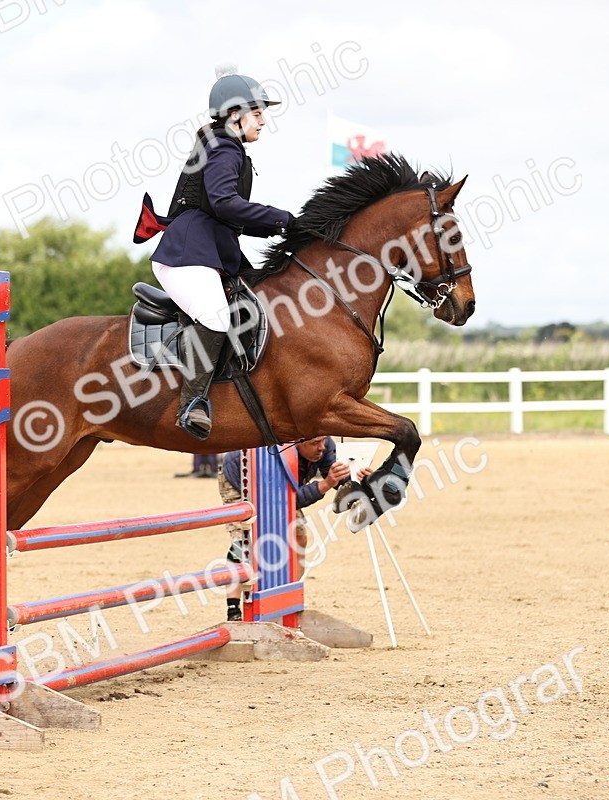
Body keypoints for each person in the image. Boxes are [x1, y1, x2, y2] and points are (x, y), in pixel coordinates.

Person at [150, 67, 296, 440]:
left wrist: (283, 227)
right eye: (258, 112)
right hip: (188, 255)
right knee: (216, 317)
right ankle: (191, 403)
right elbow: (225, 203)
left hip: (209, 251)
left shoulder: (222, 146)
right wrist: (282, 218)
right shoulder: (223, 147)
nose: (263, 121)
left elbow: (228, 214)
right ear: (235, 114)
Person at [218, 437, 372, 621]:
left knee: (299, 538)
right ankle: (233, 610)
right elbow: (288, 501)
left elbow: (340, 482)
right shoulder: (280, 453)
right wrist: (324, 485)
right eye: (315, 443)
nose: (322, 447)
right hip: (239, 479)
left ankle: (289, 600)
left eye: (323, 440)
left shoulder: (324, 445)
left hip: (282, 488)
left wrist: (358, 479)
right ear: (296, 442)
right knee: (243, 542)